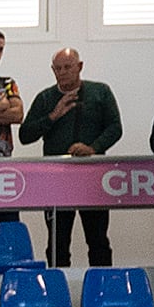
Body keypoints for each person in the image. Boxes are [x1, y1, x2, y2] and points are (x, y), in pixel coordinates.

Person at [25, 48, 122, 271]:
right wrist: (53, 116)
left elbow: (115, 127)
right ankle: (59, 290)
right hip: (56, 179)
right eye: (57, 68)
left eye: (67, 67)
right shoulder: (45, 98)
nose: (62, 72)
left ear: (79, 66)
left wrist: (93, 148)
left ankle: (102, 286)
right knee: (57, 242)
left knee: (98, 239)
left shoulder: (100, 92)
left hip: (93, 177)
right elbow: (26, 134)